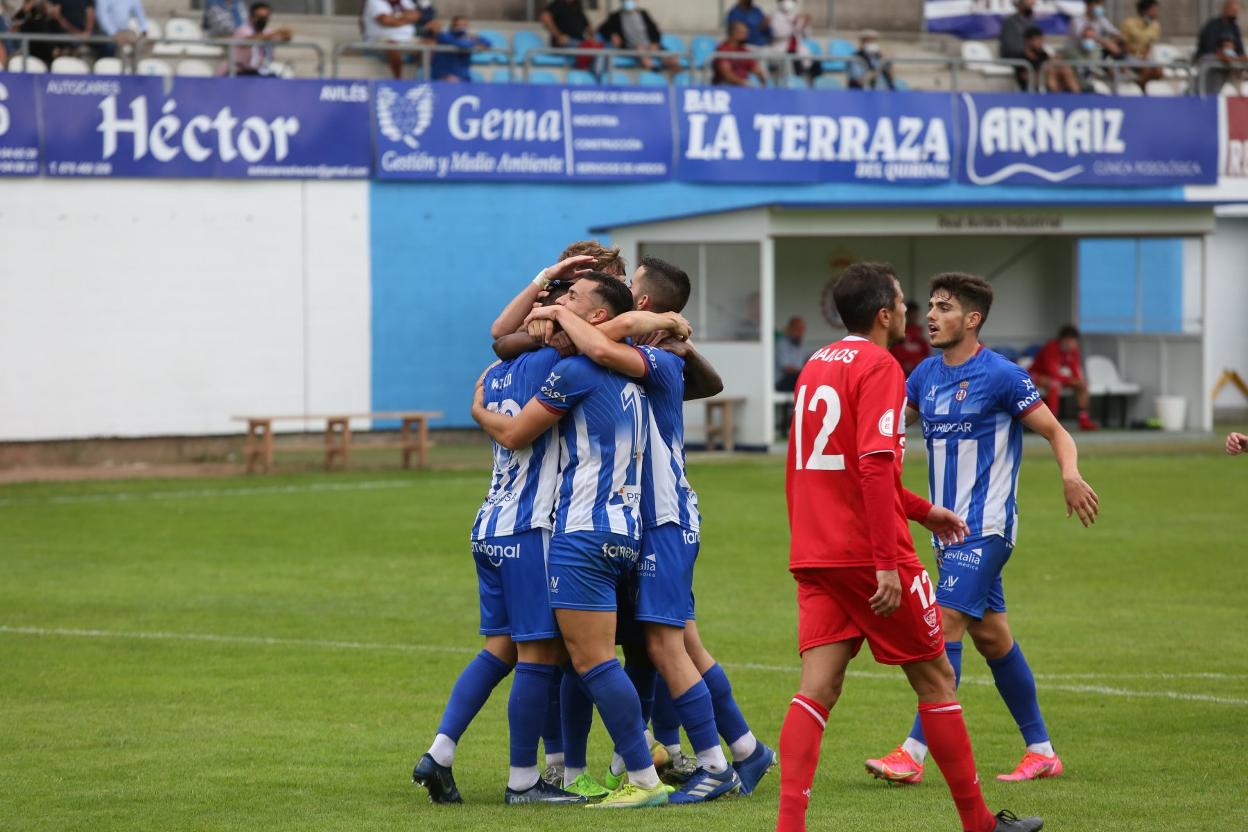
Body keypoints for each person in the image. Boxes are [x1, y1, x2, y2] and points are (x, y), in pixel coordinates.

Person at [777, 261, 1042, 832]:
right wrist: (886, 561)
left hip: (814, 551)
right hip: (867, 552)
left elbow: (829, 463)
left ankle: (788, 827)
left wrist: (924, 511)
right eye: (903, 303)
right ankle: (980, 824)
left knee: (817, 688)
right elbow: (873, 467)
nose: (911, 312)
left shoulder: (815, 365)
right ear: (883, 314)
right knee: (936, 680)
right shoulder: (881, 366)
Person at [527, 257, 778, 803]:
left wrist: (553, 311)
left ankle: (714, 762)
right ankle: (740, 749)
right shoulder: (643, 356)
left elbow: (593, 346)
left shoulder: (657, 361)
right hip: (643, 522)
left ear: (644, 307)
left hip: (665, 518)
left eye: (631, 286)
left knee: (668, 645)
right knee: (674, 641)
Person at [864, 272, 1100, 789]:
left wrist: (1070, 473)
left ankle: (913, 752)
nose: (930, 315)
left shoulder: (1003, 376)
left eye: (944, 307)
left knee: (943, 625)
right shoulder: (923, 376)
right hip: (944, 534)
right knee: (993, 639)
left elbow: (1056, 431)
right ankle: (1042, 751)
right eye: (928, 306)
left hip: (987, 528)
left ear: (972, 319)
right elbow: (885, 429)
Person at [472, 273, 670, 810]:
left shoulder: (578, 370)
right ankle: (606, 768)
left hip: (581, 533)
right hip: (624, 531)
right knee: (602, 659)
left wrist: (479, 412)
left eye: (571, 299)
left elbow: (515, 434)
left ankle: (642, 780)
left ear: (598, 318)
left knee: (591, 663)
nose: (559, 304)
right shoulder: (637, 370)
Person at [412, 281, 587, 807]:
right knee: (541, 654)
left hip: (488, 525)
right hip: (530, 525)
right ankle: (522, 782)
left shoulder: (491, 374)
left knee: (500, 649)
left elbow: (498, 343)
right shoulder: (555, 367)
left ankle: (438, 754)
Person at [1030, 324, 1099, 431]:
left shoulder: (1073, 350)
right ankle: (1052, 422)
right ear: (1065, 340)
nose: (1075, 344)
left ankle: (1084, 420)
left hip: (1055, 377)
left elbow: (1074, 369)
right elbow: (1052, 371)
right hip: (1036, 375)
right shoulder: (1051, 347)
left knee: (1082, 385)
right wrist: (1070, 380)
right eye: (1073, 341)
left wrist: (1077, 381)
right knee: (1054, 384)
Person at [597, 1, 679, 74]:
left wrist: (655, 42)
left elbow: (655, 31)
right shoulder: (615, 17)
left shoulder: (643, 14)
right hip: (630, 47)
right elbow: (601, 29)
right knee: (640, 48)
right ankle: (652, 69)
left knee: (671, 58)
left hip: (650, 45)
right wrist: (612, 34)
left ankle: (678, 82)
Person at [361, 0, 424, 80]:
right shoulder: (374, 1)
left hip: (407, 40)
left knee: (429, 44)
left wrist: (395, 18)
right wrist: (405, 18)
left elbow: (416, 15)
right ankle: (397, 80)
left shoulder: (404, 1)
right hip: (378, 41)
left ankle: (422, 79)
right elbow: (385, 20)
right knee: (393, 45)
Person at [229, 1, 291, 76]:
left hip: (262, 71)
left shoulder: (268, 31)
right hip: (241, 71)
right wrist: (275, 33)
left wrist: (286, 33)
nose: (262, 20)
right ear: (251, 16)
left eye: (265, 17)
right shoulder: (243, 29)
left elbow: (284, 37)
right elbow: (251, 39)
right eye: (259, 17)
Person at [769, 0, 821, 85]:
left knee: (815, 63)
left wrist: (805, 24)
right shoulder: (775, 16)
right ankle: (796, 85)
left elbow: (807, 36)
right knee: (795, 67)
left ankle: (815, 86)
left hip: (797, 49)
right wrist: (794, 24)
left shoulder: (794, 15)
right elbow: (779, 33)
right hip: (782, 50)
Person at [1019, 25, 1080, 92]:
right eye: (1037, 39)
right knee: (1051, 70)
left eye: (1041, 39)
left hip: (1050, 80)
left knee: (1065, 68)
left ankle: (1077, 96)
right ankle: (1055, 98)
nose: (1040, 42)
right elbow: (1024, 77)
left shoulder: (1043, 54)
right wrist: (1044, 71)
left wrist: (1056, 60)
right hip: (1035, 85)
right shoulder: (1021, 57)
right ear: (1028, 41)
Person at [431, 14, 488, 81]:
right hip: (445, 76)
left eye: (465, 25)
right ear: (453, 26)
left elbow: (488, 43)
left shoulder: (468, 37)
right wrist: (473, 42)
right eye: (459, 25)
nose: (462, 27)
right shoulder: (445, 36)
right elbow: (462, 44)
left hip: (463, 77)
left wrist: (476, 37)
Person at [1120, 0, 1163, 87]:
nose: (1156, 12)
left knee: (1159, 72)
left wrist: (1144, 55)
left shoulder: (1155, 25)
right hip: (1128, 55)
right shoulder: (1129, 23)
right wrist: (1136, 53)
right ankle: (1141, 92)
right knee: (1146, 69)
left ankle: (1140, 84)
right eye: (1153, 10)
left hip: (1144, 56)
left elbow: (1149, 44)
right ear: (1145, 10)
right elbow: (1122, 44)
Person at [713, 21, 766, 87]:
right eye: (743, 33)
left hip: (743, 88)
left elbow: (756, 69)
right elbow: (726, 74)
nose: (746, 36)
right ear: (733, 33)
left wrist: (763, 83)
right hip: (726, 87)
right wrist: (744, 83)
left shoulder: (743, 50)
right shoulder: (723, 50)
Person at [889, 301, 929, 376]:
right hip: (902, 372)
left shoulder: (921, 331)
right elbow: (894, 351)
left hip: (919, 372)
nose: (914, 316)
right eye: (911, 314)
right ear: (906, 314)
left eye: (915, 314)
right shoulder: (899, 331)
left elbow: (926, 352)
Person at [775, 316, 807, 393]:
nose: (800, 332)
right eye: (798, 329)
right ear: (790, 329)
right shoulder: (782, 344)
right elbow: (787, 369)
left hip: (796, 380)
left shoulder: (801, 345)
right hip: (781, 382)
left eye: (802, 329)